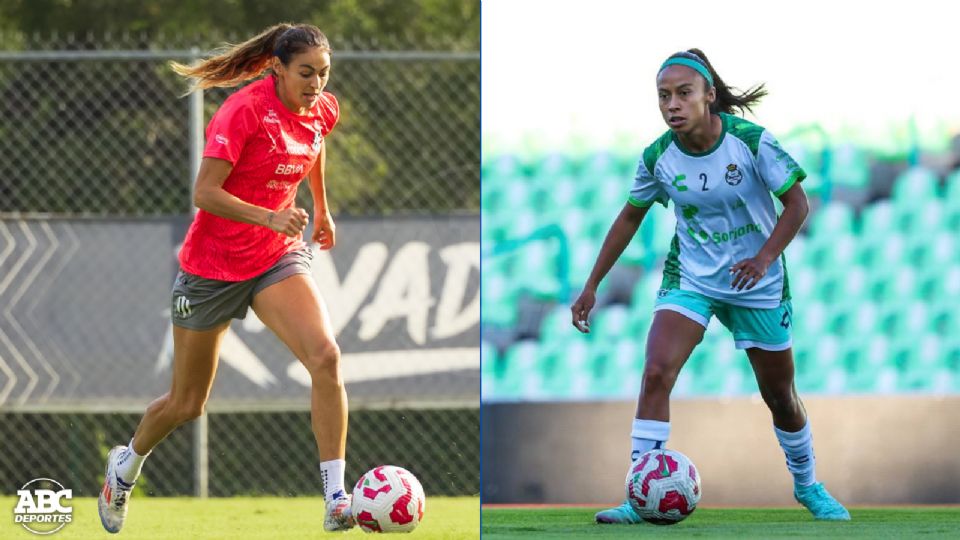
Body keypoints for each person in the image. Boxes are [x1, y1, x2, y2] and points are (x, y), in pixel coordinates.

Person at [570, 49, 850, 523]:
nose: (672, 105)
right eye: (663, 96)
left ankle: (808, 486)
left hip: (756, 284)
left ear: (709, 96)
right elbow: (629, 218)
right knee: (656, 371)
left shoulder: (751, 143)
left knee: (780, 396)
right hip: (692, 277)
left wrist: (764, 258)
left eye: (683, 93)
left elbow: (798, 205)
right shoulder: (658, 157)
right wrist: (592, 284)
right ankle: (641, 495)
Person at [98, 23, 355, 533]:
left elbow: (316, 141)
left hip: (275, 258)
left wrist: (321, 208)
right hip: (211, 269)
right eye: (306, 73)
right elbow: (204, 192)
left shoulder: (322, 107)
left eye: (324, 74)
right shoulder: (243, 111)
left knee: (325, 357)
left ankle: (336, 498)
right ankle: (124, 468)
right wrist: (269, 215)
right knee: (187, 404)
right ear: (276, 68)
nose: (317, 84)